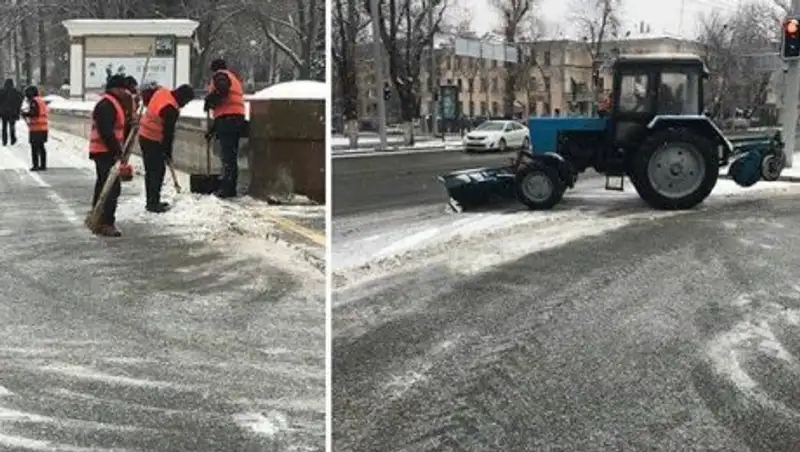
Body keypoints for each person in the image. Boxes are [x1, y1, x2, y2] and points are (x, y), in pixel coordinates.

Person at [138, 84, 195, 213]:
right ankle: (153, 203)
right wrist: (167, 153)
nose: (185, 105)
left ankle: (151, 201)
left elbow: (148, 97)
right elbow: (168, 134)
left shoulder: (162, 92)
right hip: (153, 139)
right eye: (186, 101)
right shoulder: (171, 109)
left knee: (151, 171)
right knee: (157, 172)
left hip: (144, 135)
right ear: (182, 97)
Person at [88, 74, 132, 237]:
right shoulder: (107, 104)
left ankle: (98, 217)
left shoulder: (112, 103)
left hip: (105, 150)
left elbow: (117, 127)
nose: (125, 92)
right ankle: (106, 222)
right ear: (115, 88)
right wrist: (117, 152)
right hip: (104, 151)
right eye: (122, 89)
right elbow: (106, 131)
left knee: (104, 185)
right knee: (111, 188)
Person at [203, 58, 246, 198]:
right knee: (230, 156)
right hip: (235, 119)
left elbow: (222, 90)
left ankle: (227, 189)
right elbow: (226, 105)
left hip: (228, 120)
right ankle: (230, 187)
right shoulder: (232, 77)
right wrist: (212, 130)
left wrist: (210, 100)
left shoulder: (220, 75)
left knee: (228, 157)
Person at [21, 85, 48, 171]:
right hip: (43, 128)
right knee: (41, 147)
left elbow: (34, 113)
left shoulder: (34, 101)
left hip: (36, 128)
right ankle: (43, 165)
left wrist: (25, 114)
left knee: (34, 148)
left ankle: (35, 165)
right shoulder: (41, 100)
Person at [0, 79, 23, 146]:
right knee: (12, 126)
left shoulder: (1, 91)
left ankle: (4, 141)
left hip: (3, 112)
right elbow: (20, 99)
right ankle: (13, 139)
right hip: (13, 112)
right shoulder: (16, 91)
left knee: (4, 126)